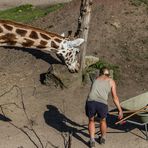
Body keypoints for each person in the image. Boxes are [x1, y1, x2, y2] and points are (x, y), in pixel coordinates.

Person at [85, 66, 123, 147]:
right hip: (102, 103)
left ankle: (92, 141)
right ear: (108, 74)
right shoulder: (111, 81)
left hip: (90, 101)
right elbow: (115, 97)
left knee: (91, 120)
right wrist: (120, 110)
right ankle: (102, 139)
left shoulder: (95, 79)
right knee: (103, 121)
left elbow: (92, 91)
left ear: (100, 73)